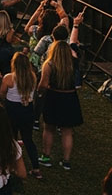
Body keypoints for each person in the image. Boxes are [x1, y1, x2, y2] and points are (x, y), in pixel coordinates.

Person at [39, 39, 82, 170]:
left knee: (49, 128)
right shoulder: (74, 64)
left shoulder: (49, 65)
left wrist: (39, 93)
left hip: (54, 97)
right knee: (67, 131)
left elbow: (43, 84)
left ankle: (46, 156)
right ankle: (66, 161)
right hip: (70, 97)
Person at [0, 52, 41, 179]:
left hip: (12, 110)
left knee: (10, 137)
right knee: (28, 139)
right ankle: (36, 167)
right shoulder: (33, 77)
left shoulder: (8, 78)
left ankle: (9, 164)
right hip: (27, 110)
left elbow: (1, 93)